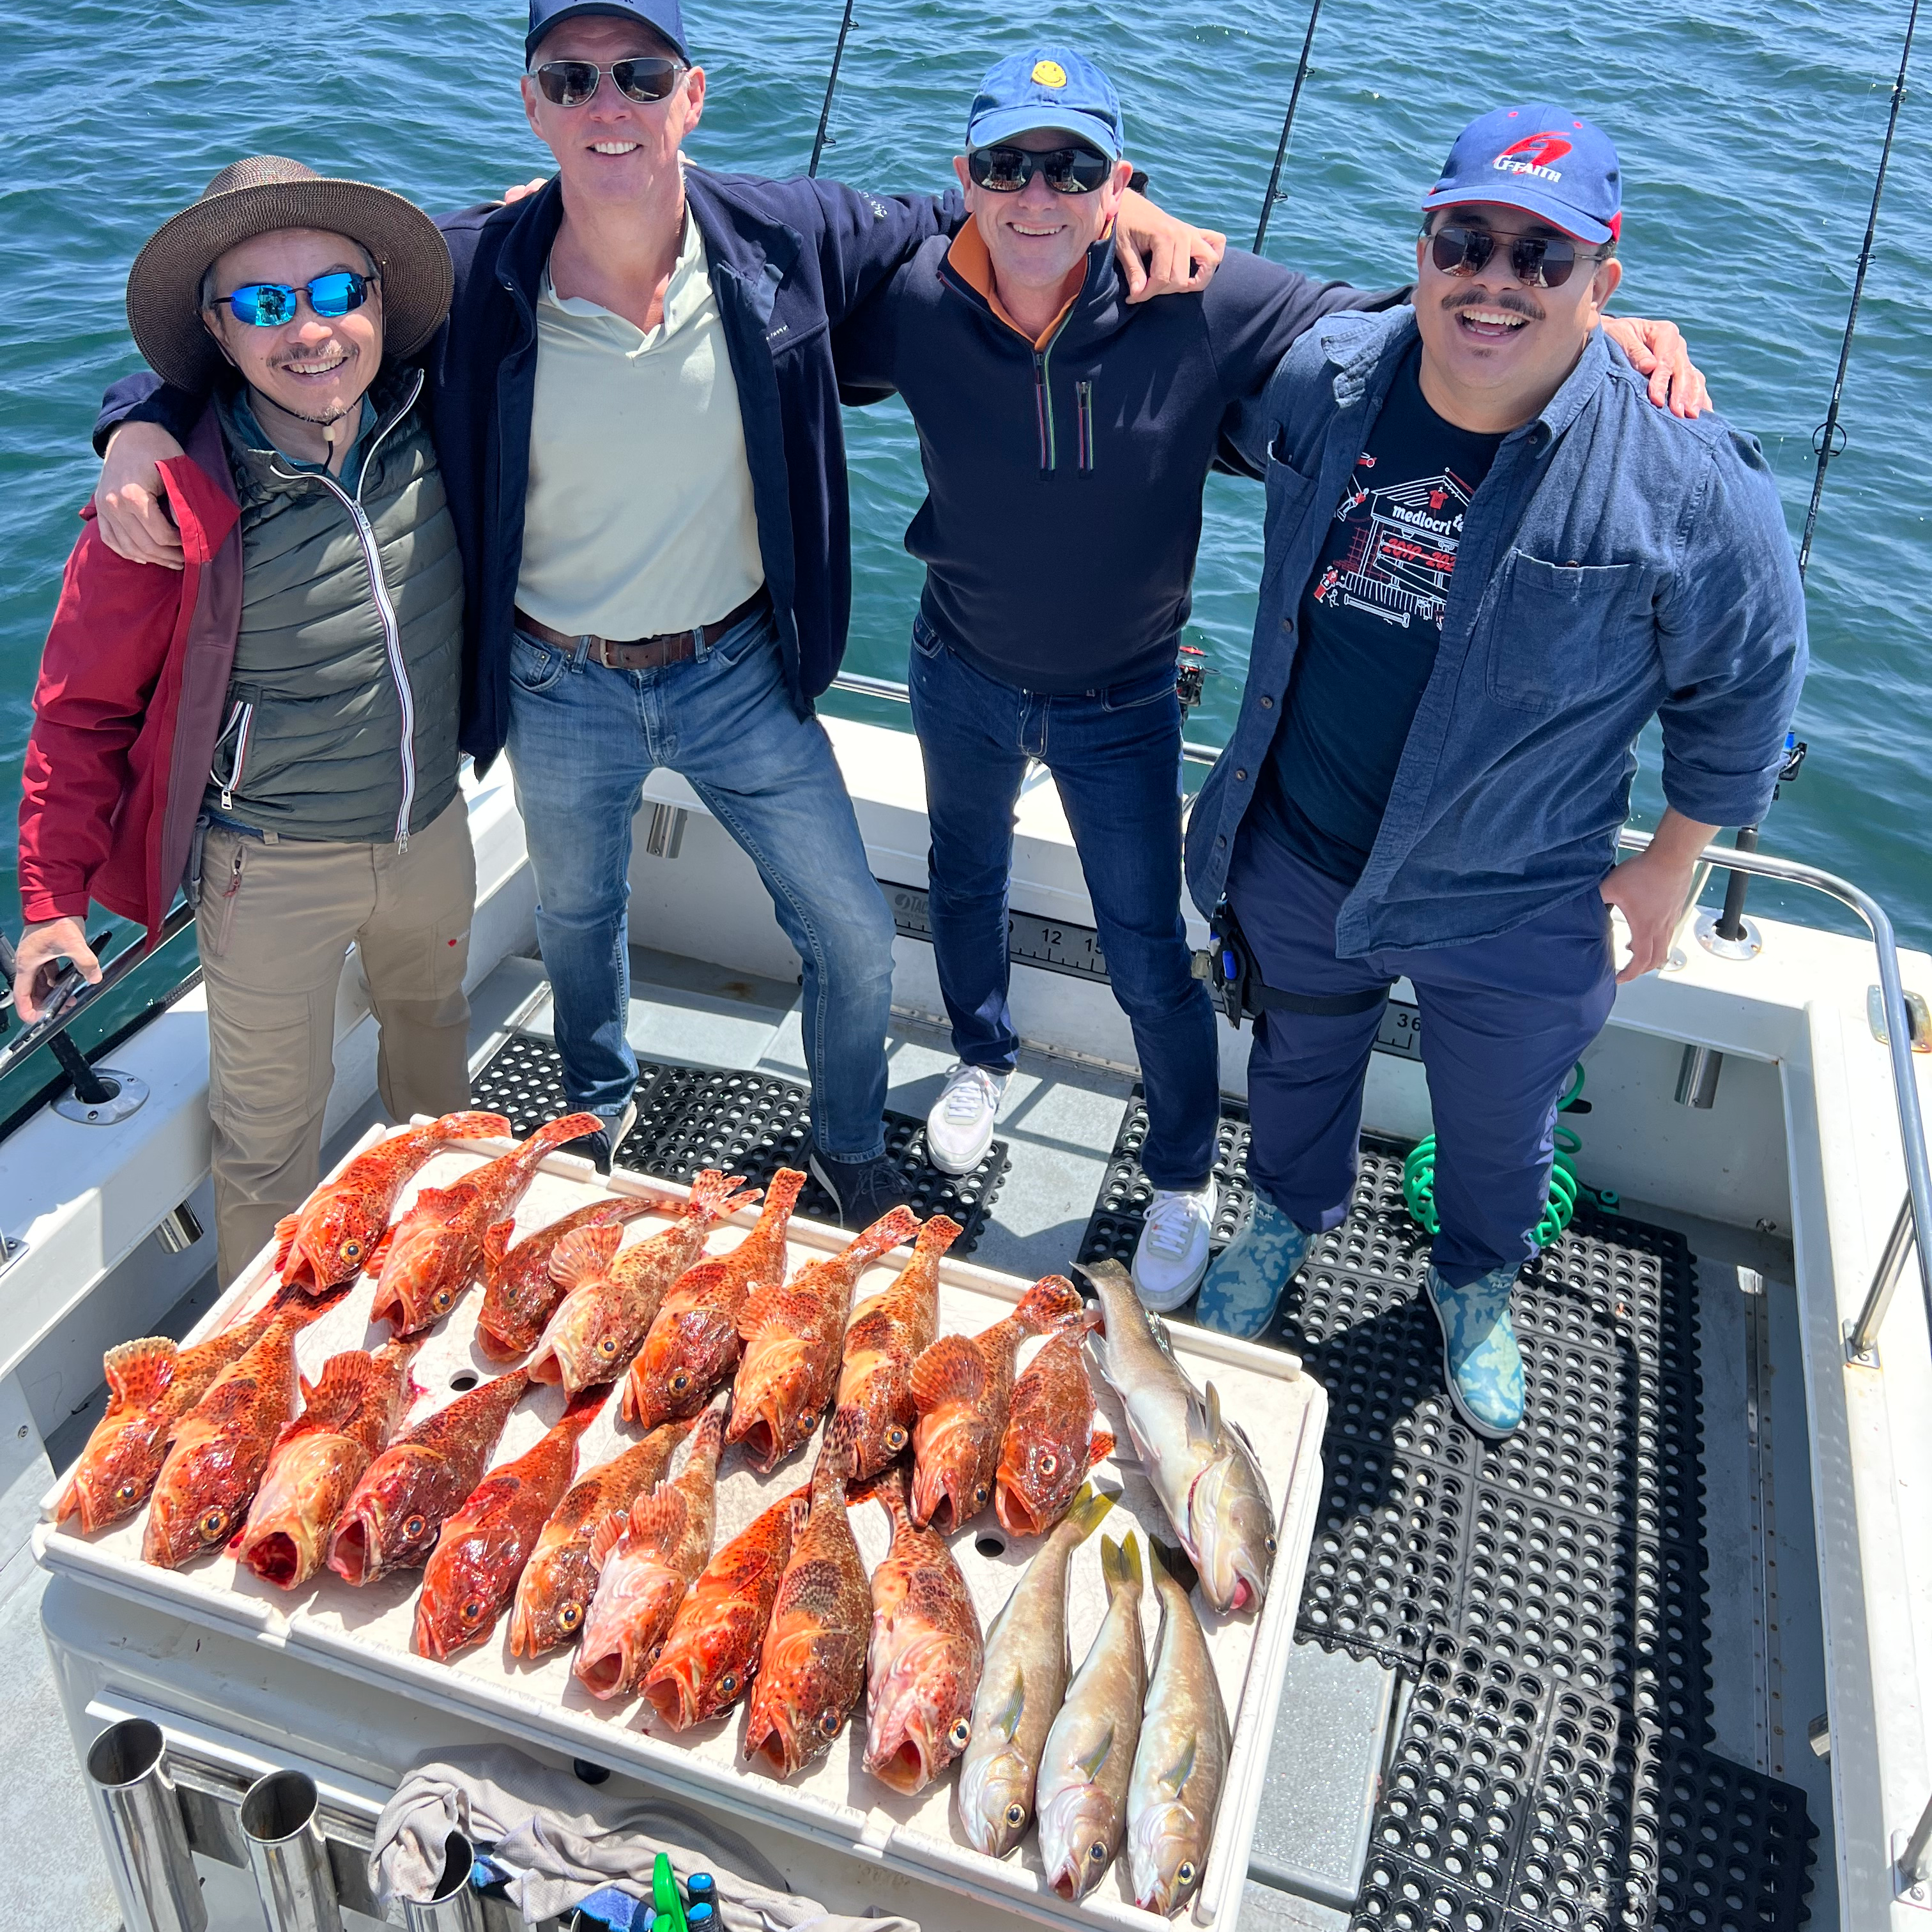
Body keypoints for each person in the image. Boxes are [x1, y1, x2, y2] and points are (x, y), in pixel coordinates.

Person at [86, 0, 1218, 1227]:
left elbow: (975, 207)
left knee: (849, 927)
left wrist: (1133, 203)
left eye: (639, 74)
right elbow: (289, 333)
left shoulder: (781, 234)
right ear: (533, 106)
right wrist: (135, 418)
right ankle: (595, 1124)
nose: (606, 104)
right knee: (577, 921)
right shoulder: (473, 268)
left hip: (738, 669)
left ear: (693, 97)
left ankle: (845, 1142)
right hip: (555, 680)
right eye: (571, 83)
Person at [832, 53, 1706, 1308]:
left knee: (1148, 947)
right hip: (953, 659)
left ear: (1116, 180)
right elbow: (801, 285)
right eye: (1006, 167)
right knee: (959, 879)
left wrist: (1588, 345)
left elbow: (1399, 328)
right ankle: (980, 1053)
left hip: (1120, 697)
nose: (1037, 194)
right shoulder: (916, 297)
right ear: (964, 178)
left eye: (1073, 168)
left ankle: (1183, 1172)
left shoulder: (1197, 302)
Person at [1184, 106, 1806, 1436]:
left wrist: (1671, 862)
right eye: (1466, 240)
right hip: (1298, 850)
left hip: (1519, 898)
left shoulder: (1691, 480)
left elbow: (1746, 684)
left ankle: (1476, 1279)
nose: (1496, 279)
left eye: (1545, 258)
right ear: (1424, 247)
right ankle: (1286, 1218)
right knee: (1296, 1070)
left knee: (1501, 1132)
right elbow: (1176, 306)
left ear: (1607, 282)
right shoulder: (1327, 376)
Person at [14, 158, 473, 1287]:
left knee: (436, 1066)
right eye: (265, 306)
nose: (308, 330)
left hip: (436, 831)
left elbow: (544, 242)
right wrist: (46, 907)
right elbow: (77, 717)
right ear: (219, 335)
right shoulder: (160, 508)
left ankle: (452, 1278)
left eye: (333, 292)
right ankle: (264, 1401)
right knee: (270, 1148)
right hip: (269, 872)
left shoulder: (446, 411)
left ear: (379, 297)